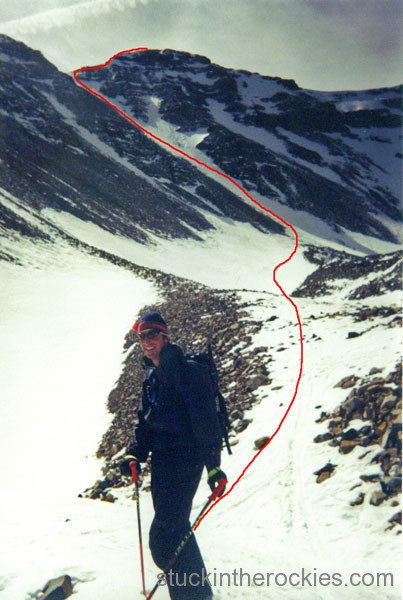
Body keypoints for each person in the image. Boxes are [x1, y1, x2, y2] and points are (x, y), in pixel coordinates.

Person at [120, 311, 227, 599]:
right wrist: (136, 453)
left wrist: (213, 468)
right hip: (164, 461)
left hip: (186, 459)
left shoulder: (186, 372)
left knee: (165, 534)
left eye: (152, 335)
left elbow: (206, 422)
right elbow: (147, 423)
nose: (146, 341)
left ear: (166, 337)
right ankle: (196, 593)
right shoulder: (153, 377)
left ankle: (193, 595)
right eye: (142, 336)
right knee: (172, 531)